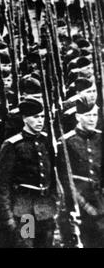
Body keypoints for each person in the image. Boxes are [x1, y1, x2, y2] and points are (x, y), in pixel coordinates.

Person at [0, 98, 58, 248]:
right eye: (35, 117)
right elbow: (2, 184)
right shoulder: (13, 145)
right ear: (24, 118)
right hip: (25, 211)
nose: (40, 121)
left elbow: (52, 175)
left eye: (42, 117)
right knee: (26, 246)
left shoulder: (45, 141)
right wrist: (7, 216)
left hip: (45, 211)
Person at [57, 95, 104, 248]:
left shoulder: (101, 138)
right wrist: (84, 205)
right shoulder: (67, 142)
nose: (92, 119)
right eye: (87, 115)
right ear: (78, 116)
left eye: (94, 114)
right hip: (80, 204)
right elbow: (65, 179)